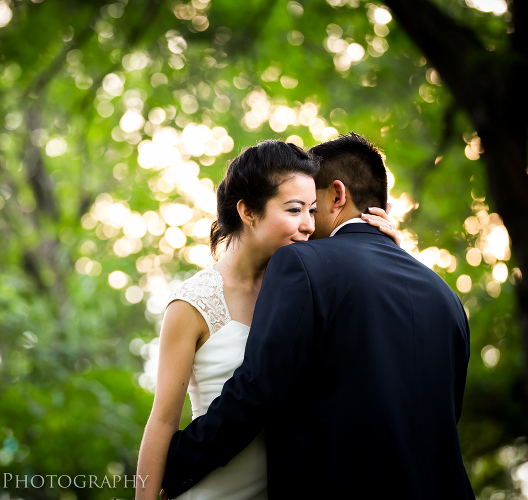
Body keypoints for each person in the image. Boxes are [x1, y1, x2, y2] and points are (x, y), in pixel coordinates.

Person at [158, 132, 475, 500]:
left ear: (337, 196)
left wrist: (172, 466)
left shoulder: (302, 266)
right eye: (296, 208)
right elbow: (442, 416)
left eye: (312, 206)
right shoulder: (446, 297)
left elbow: (259, 389)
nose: (308, 224)